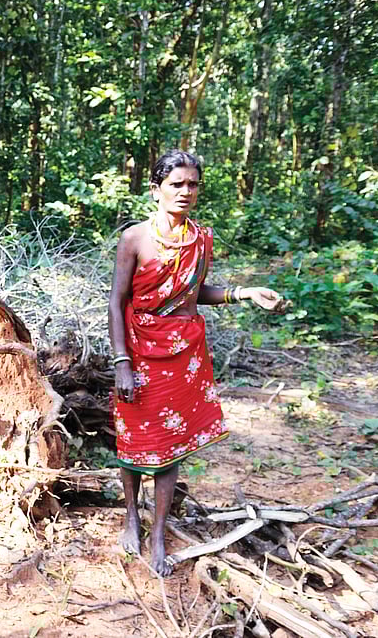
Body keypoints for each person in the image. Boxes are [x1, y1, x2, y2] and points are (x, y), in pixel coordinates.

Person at [108, 149, 284, 576]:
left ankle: (159, 531)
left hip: (184, 355)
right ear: (156, 190)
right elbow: (117, 301)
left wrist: (244, 293)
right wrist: (121, 362)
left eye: (192, 184)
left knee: (171, 446)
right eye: (176, 184)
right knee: (136, 439)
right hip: (139, 347)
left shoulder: (200, 239)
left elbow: (194, 292)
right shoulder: (134, 238)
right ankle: (132, 515)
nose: (186, 192)